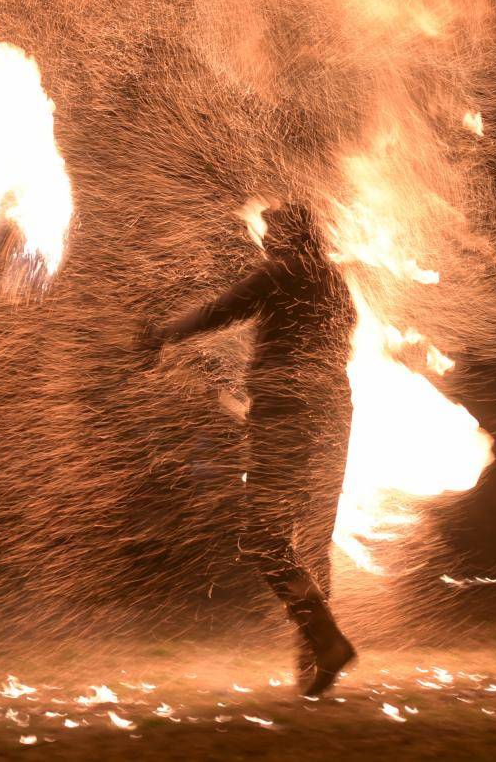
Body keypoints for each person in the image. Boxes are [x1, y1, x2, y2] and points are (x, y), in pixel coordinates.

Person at [137, 202, 357, 696]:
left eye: (273, 233)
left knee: (264, 538)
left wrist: (162, 334)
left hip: (288, 412)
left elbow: (221, 311)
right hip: (334, 411)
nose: (266, 242)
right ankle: (315, 664)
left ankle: (327, 644)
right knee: (313, 541)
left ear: (288, 236)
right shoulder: (335, 284)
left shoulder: (282, 272)